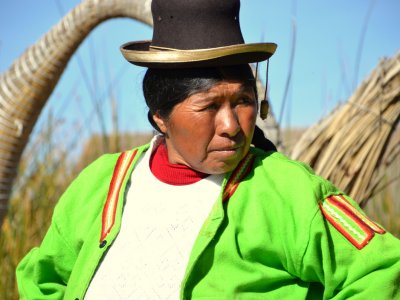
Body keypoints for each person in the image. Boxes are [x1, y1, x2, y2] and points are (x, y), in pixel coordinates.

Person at [16, 0, 400, 299]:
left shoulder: (286, 192)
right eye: (209, 107)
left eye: (244, 101)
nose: (232, 126)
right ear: (160, 118)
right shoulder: (100, 186)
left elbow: (381, 270)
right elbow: (43, 281)